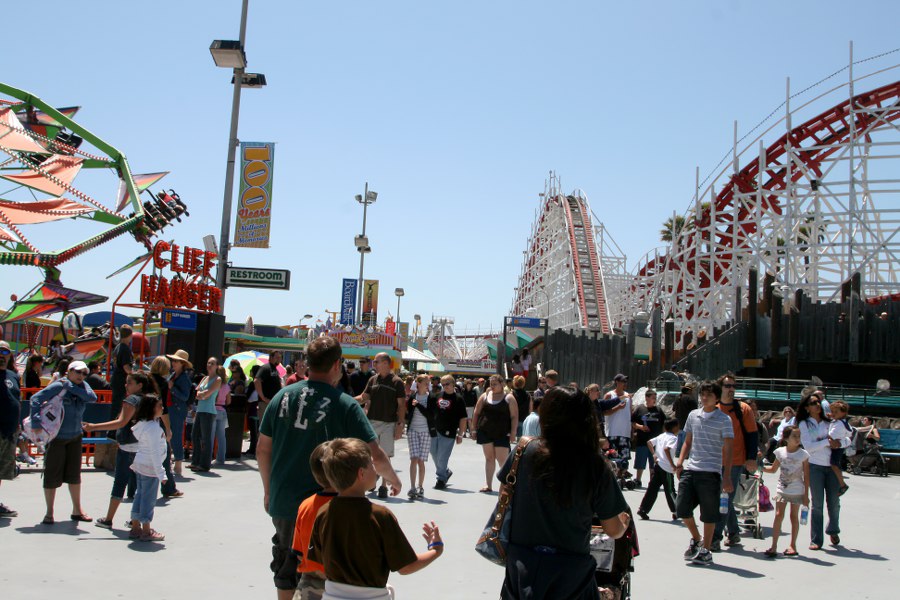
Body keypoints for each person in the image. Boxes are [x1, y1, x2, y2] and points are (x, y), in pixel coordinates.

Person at [257, 336, 401, 600]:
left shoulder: (282, 397)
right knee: (326, 571)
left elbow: (263, 449)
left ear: (307, 363)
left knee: (286, 564)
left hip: (285, 501)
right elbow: (376, 454)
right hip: (330, 508)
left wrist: (268, 490)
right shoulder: (345, 404)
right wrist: (393, 479)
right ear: (337, 364)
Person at [499, 386, 629, 600]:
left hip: (522, 566)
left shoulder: (523, 451)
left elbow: (505, 499)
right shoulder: (595, 465)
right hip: (570, 573)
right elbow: (612, 529)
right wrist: (622, 524)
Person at [308, 438, 443, 600]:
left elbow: (319, 560)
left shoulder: (323, 513)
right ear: (361, 473)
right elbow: (406, 567)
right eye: (372, 465)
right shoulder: (380, 516)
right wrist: (435, 550)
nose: (375, 469)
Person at [30, 360, 98, 524]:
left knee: (75, 476)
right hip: (57, 438)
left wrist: (72, 387)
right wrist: (36, 423)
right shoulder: (59, 385)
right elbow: (35, 399)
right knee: (52, 475)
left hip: (75, 436)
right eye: (78, 372)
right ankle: (49, 512)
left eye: (84, 373)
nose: (81, 376)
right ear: (69, 371)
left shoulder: (82, 386)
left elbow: (92, 397)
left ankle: (77, 510)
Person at [674, 380, 734, 566]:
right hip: (691, 468)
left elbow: (729, 449)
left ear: (716, 398)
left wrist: (726, 476)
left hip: (711, 472)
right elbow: (687, 440)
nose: (704, 397)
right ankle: (697, 538)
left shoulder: (724, 419)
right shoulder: (693, 415)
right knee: (681, 508)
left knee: (709, 514)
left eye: (709, 394)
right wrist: (680, 461)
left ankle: (706, 550)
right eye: (702, 394)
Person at [84, 371, 153, 529]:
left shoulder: (131, 400)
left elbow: (121, 423)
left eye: (129, 382)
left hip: (128, 447)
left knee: (120, 482)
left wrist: (94, 426)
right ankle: (136, 519)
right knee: (140, 486)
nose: (126, 385)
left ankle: (108, 519)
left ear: (139, 385)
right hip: (144, 447)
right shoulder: (149, 399)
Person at [712, 373, 758, 552]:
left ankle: (715, 537)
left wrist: (752, 458)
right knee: (723, 498)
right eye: (727, 386)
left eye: (733, 386)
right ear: (720, 387)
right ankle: (733, 532)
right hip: (714, 459)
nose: (731, 389)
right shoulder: (713, 408)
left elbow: (753, 435)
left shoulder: (743, 409)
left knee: (724, 498)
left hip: (736, 460)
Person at [355, 352, 406, 499]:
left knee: (385, 455)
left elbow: (401, 405)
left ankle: (384, 485)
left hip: (388, 423)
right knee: (369, 454)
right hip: (371, 422)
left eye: (376, 362)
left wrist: (400, 425)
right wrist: (348, 401)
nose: (374, 364)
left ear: (385, 363)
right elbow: (364, 397)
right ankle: (370, 482)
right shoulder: (373, 379)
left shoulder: (397, 382)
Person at [796, 389, 842, 550]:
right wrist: (828, 442)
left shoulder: (830, 421)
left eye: (819, 402)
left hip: (832, 466)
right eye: (813, 403)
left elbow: (845, 437)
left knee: (834, 502)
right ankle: (816, 539)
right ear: (807, 407)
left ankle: (833, 529)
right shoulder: (804, 424)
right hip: (815, 466)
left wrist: (838, 443)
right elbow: (808, 447)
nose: (817, 405)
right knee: (817, 504)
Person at [291, 442, 335, 600]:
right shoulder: (352, 507)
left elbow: (299, 553)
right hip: (342, 585)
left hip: (310, 584)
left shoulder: (306, 505)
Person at [763, 425, 810, 557]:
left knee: (793, 516)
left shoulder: (803, 454)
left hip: (797, 490)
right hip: (782, 488)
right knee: (778, 515)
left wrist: (806, 496)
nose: (797, 439)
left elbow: (806, 476)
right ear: (786, 438)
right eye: (794, 436)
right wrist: (759, 467)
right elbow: (773, 470)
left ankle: (792, 545)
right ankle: (773, 545)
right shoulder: (780, 452)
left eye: (799, 436)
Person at [128, 394, 168, 542]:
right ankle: (146, 530)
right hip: (150, 467)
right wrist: (161, 473)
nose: (162, 408)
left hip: (141, 464)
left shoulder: (145, 424)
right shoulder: (152, 428)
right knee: (148, 499)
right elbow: (155, 452)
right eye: (159, 406)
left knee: (140, 495)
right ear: (152, 408)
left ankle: (135, 526)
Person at [472, 374, 518, 493]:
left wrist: (513, 432)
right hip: (485, 430)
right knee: (489, 458)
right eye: (491, 384)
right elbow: (476, 413)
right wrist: (473, 429)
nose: (492, 386)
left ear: (502, 384)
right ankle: (488, 484)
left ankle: (505, 485)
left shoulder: (509, 398)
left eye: (495, 384)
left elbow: (514, 416)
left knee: (502, 460)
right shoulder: (485, 396)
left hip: (502, 432)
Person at [149, 356, 182, 498]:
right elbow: (164, 409)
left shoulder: (146, 379)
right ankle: (169, 488)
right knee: (165, 454)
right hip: (158, 422)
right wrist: (168, 429)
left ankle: (132, 489)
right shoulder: (163, 383)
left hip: (143, 421)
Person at [430, 374, 468, 490]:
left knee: (442, 457)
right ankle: (445, 471)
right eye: (443, 384)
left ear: (453, 384)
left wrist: (460, 434)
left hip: (449, 432)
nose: (445, 386)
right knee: (434, 453)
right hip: (435, 430)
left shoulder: (459, 399)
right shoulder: (437, 396)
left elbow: (463, 418)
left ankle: (441, 479)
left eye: (447, 384)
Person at [638, 418, 679, 521]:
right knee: (670, 490)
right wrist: (672, 464)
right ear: (674, 427)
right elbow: (667, 449)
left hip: (658, 466)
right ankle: (676, 511)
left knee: (652, 489)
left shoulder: (661, 436)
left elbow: (649, 442)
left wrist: (654, 454)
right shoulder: (673, 438)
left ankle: (643, 509)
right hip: (666, 468)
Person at [405, 375, 435, 500]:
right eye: (425, 382)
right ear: (418, 383)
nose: (427, 384)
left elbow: (430, 415)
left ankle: (420, 486)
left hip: (426, 432)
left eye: (428, 382)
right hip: (413, 430)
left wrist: (418, 405)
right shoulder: (413, 396)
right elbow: (408, 411)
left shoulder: (431, 398)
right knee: (414, 458)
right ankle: (412, 487)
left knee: (421, 461)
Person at [0, 340, 21, 518]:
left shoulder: (13, 376)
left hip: (9, 431)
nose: (1, 355)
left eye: (5, 352)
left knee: (1, 470)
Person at [189, 358, 221, 472]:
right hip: (200, 410)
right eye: (208, 363)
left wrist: (202, 394)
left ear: (217, 366)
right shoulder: (204, 378)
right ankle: (195, 461)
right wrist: (201, 394)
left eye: (212, 363)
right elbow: (197, 392)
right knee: (194, 435)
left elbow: (207, 394)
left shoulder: (217, 379)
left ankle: (204, 464)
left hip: (208, 411)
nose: (210, 365)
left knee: (205, 439)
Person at [166, 349, 192, 476]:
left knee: (175, 436)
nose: (173, 363)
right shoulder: (173, 375)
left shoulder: (184, 378)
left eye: (176, 361)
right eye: (173, 360)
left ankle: (178, 463)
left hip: (177, 410)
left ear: (183, 363)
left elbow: (185, 397)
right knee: (168, 435)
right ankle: (172, 461)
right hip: (170, 408)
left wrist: (173, 388)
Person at [631, 389, 664, 487]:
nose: (655, 400)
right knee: (640, 462)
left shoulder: (659, 410)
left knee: (653, 462)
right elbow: (633, 423)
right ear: (647, 398)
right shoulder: (640, 409)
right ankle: (638, 480)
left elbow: (664, 424)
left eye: (655, 398)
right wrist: (640, 427)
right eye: (653, 398)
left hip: (655, 441)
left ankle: (652, 482)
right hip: (642, 440)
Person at [602, 374, 633, 468]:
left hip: (625, 433)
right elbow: (604, 412)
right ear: (617, 382)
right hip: (612, 432)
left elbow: (630, 413)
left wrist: (632, 430)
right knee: (612, 460)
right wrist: (618, 408)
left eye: (626, 381)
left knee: (624, 462)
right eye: (623, 381)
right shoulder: (609, 395)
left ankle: (622, 480)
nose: (625, 383)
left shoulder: (628, 396)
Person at [110, 325, 134, 429]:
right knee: (119, 406)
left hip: (115, 378)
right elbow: (126, 367)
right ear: (129, 335)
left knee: (116, 405)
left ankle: (112, 427)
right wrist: (134, 375)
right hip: (121, 380)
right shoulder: (125, 349)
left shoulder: (117, 347)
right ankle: (114, 429)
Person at [827, 400, 852, 495]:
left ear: (843, 413)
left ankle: (842, 484)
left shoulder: (839, 424)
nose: (833, 414)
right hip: (839, 446)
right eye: (832, 412)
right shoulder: (841, 422)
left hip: (837, 448)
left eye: (836, 412)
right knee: (835, 464)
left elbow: (830, 436)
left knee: (834, 464)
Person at [255, 350, 283, 422]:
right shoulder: (265, 368)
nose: (279, 359)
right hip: (265, 403)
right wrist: (263, 398)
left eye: (280, 357)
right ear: (270, 357)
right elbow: (256, 381)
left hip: (273, 403)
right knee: (264, 428)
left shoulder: (275, 369)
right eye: (277, 357)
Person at [213, 365, 231, 466]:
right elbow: (228, 401)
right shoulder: (226, 386)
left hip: (213, 409)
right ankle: (221, 459)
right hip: (222, 410)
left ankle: (209, 457)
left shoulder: (213, 384)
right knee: (221, 436)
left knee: (210, 436)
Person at [244, 364, 262, 456]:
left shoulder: (253, 383)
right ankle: (255, 449)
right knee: (257, 431)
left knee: (253, 431)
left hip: (252, 407)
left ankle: (252, 449)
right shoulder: (262, 383)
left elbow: (248, 397)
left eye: (251, 370)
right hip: (259, 407)